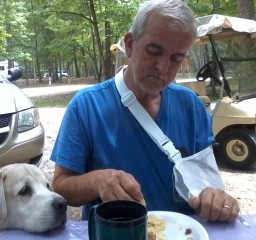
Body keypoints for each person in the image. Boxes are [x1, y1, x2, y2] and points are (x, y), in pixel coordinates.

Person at [50, 0, 239, 222]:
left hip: (181, 234)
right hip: (116, 234)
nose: (162, 67)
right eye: (154, 51)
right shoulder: (86, 106)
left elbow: (207, 181)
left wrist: (215, 198)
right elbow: (61, 186)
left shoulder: (191, 106)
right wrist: (97, 181)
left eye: (175, 58)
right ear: (130, 44)